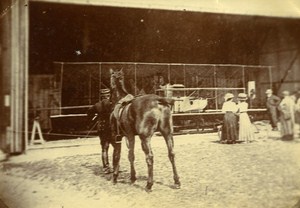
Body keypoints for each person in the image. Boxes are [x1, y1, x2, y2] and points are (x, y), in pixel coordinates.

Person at [87, 88, 113, 174]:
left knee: (104, 148)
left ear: (101, 96)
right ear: (108, 96)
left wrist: (94, 120)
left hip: (101, 128)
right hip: (112, 128)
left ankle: (106, 167)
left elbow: (89, 113)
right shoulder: (112, 104)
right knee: (116, 147)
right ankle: (115, 166)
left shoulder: (97, 105)